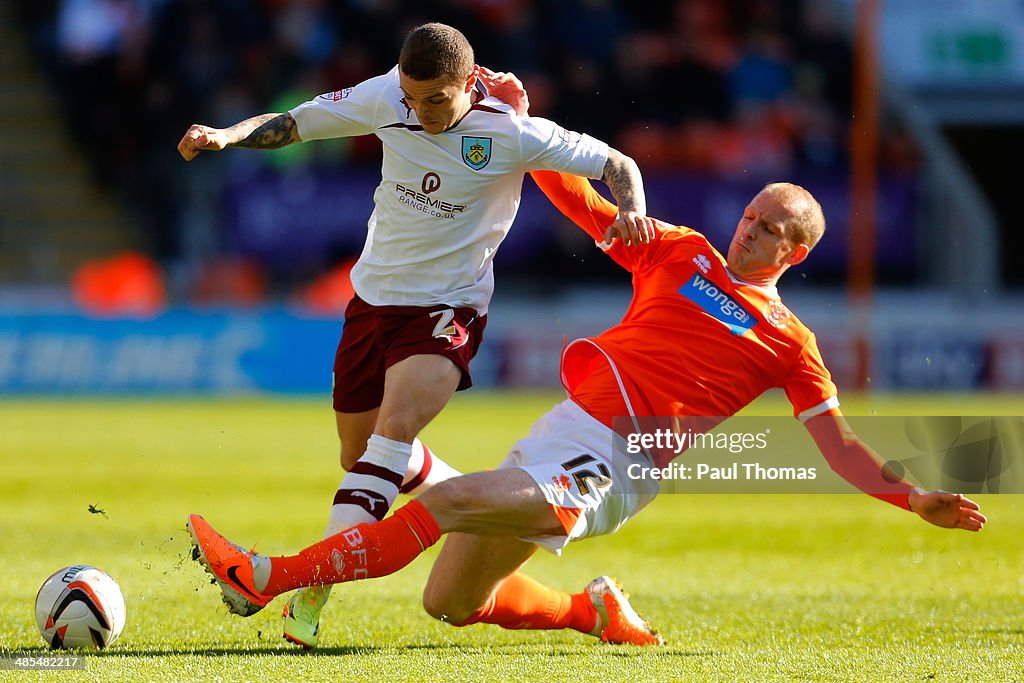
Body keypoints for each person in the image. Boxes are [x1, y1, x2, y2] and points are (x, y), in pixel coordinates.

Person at [186, 169, 987, 647]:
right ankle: (589, 610)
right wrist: (520, 127)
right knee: (451, 604)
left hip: (615, 465)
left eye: (773, 229)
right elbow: (577, 197)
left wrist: (910, 493)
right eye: (751, 216)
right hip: (562, 430)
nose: (751, 232)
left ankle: (268, 576)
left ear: (797, 252)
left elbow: (840, 445)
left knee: (449, 499)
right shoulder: (680, 251)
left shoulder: (790, 340)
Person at [176, 23, 651, 648]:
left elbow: (616, 163)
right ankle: (474, 503)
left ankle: (302, 598)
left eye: (434, 100)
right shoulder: (387, 98)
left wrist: (631, 209)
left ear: (467, 84)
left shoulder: (509, 132)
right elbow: (295, 124)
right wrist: (226, 135)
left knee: (392, 434)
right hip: (372, 302)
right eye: (410, 95)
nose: (418, 111)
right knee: (363, 456)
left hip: (447, 308)